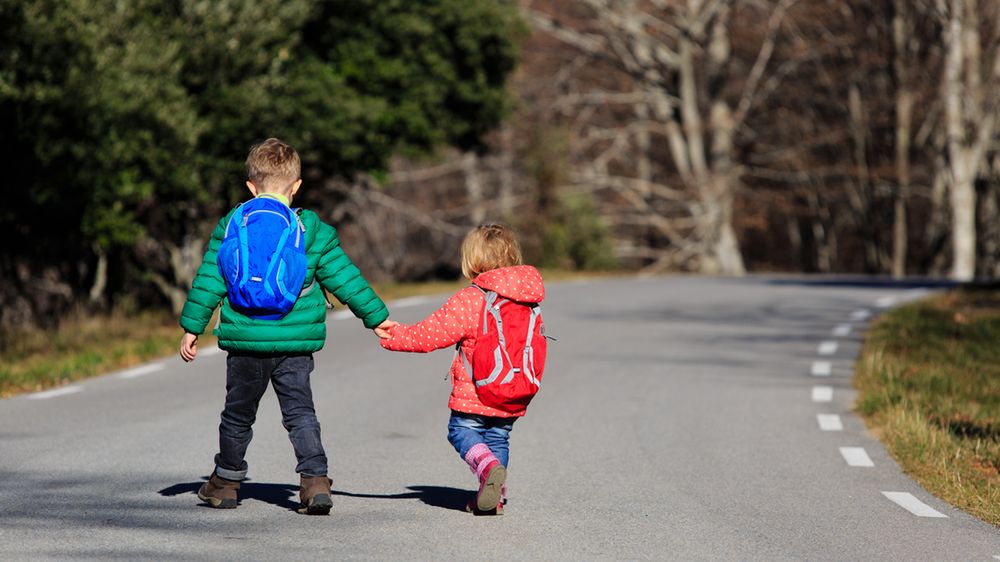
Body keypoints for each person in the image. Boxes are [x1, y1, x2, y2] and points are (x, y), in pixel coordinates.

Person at [178, 138, 394, 515]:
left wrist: (192, 327)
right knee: (300, 413)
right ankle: (315, 482)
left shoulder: (232, 224)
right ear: (296, 186)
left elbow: (210, 279)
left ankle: (225, 483)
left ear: (250, 187)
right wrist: (375, 317)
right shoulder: (311, 229)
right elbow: (345, 278)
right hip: (295, 344)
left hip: (245, 342)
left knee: (237, 414)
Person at [379, 223, 545, 515]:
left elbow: (431, 334)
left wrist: (395, 337)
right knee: (498, 438)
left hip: (477, 391)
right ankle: (495, 497)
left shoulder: (474, 298)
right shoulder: (528, 301)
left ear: (473, 260)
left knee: (460, 431)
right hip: (514, 389)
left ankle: (488, 470)